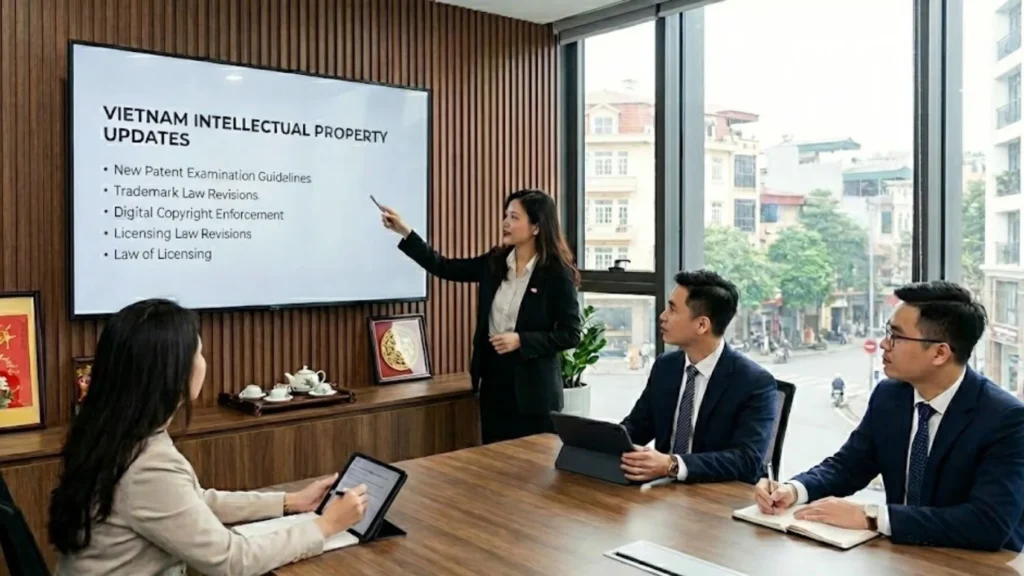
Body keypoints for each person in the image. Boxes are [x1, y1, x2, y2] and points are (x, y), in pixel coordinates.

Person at [48, 299, 370, 575]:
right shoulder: (147, 466)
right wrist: (325, 526)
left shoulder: (110, 433)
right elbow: (231, 561)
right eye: (199, 353)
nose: (204, 362)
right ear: (174, 372)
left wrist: (289, 502)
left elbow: (192, 502)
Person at [753, 281, 1024, 552]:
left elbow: (988, 524)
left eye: (896, 336)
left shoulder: (1005, 418)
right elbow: (848, 466)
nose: (884, 344)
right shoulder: (891, 395)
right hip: (899, 555)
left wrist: (871, 517)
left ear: (940, 353)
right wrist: (794, 490)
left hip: (971, 563)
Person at [381, 189, 582, 444]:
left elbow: (570, 334)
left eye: (514, 217)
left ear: (536, 227)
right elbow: (444, 266)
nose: (505, 223)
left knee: (533, 463)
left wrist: (521, 340)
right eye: (506, 215)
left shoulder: (556, 274)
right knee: (493, 459)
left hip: (534, 392)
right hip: (494, 381)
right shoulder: (495, 262)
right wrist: (405, 232)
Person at [618, 270, 777, 484]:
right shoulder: (666, 366)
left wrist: (672, 465)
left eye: (672, 309)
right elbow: (636, 427)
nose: (663, 316)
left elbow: (746, 460)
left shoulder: (754, 382)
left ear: (702, 325)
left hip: (719, 495)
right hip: (664, 491)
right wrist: (602, 441)